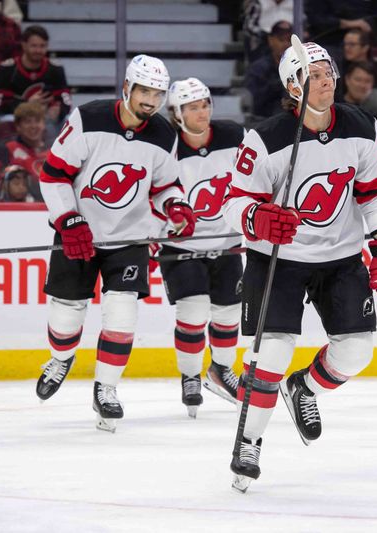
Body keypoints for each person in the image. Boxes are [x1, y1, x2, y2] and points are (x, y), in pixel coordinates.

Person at [222, 40, 377, 490]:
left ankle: (304, 388)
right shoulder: (265, 138)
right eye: (314, 75)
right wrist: (257, 217)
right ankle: (248, 442)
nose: (325, 81)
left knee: (357, 351)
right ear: (292, 86)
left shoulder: (364, 127)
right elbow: (235, 201)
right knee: (273, 355)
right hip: (278, 260)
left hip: (340, 257)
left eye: (328, 73)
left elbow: (376, 193)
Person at [34, 54, 196, 433]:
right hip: (79, 233)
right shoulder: (88, 118)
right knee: (66, 315)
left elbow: (164, 184)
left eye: (158, 94)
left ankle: (106, 388)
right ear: (127, 87)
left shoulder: (164, 134)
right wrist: (68, 220)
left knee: (122, 316)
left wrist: (175, 204)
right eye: (144, 91)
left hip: (130, 236)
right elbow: (53, 174)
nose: (151, 101)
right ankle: (60, 358)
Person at [158, 77, 245, 417]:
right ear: (177, 113)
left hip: (226, 241)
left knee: (228, 313)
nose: (202, 112)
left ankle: (221, 370)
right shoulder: (165, 146)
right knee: (192, 311)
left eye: (205, 104)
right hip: (181, 244)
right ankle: (190, 374)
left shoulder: (234, 136)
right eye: (193, 107)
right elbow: (152, 188)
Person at [0, 25, 71, 122]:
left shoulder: (55, 69)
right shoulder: (7, 69)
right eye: (34, 46)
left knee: (66, 120)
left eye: (42, 46)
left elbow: (65, 99)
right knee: (6, 120)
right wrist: (27, 104)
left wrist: (59, 110)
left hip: (45, 117)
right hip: (16, 118)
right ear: (24, 45)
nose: (38, 50)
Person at [245, 20, 292, 119]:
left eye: (288, 40)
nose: (285, 44)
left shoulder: (301, 67)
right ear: (270, 40)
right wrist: (277, 85)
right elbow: (254, 101)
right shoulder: (258, 68)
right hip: (265, 119)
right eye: (281, 40)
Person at [5, 101, 48, 200]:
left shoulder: (55, 149)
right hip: (23, 207)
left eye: (37, 121)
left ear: (44, 124)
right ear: (18, 127)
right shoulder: (9, 149)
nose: (33, 126)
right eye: (27, 121)